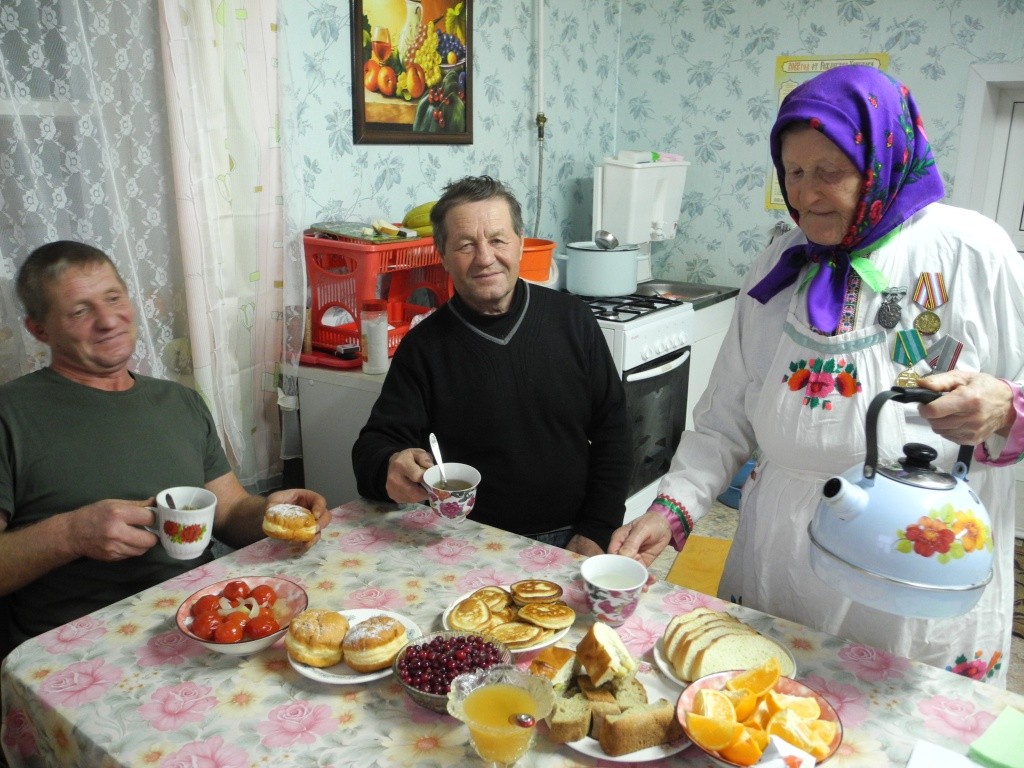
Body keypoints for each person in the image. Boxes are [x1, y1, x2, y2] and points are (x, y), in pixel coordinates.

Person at [612, 64, 1024, 685]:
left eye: (829, 172)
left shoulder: (971, 252)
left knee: (890, 730)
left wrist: (1005, 410)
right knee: (766, 713)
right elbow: (725, 416)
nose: (805, 194)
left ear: (881, 162)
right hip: (780, 552)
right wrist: (672, 510)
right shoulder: (779, 264)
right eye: (794, 173)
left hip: (908, 566)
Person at [0, 241, 329, 656]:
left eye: (113, 298)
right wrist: (71, 534)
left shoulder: (180, 401)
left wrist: (272, 512)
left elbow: (227, 511)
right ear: (39, 330)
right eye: (80, 311)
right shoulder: (10, 414)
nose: (108, 321)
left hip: (207, 623)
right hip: (80, 649)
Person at [352, 175, 632, 554]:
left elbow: (614, 430)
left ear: (520, 244)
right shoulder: (424, 347)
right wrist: (389, 464)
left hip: (572, 536)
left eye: (498, 239)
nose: (485, 258)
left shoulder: (572, 319)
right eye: (466, 245)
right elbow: (372, 447)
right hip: (467, 542)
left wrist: (597, 530)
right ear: (444, 256)